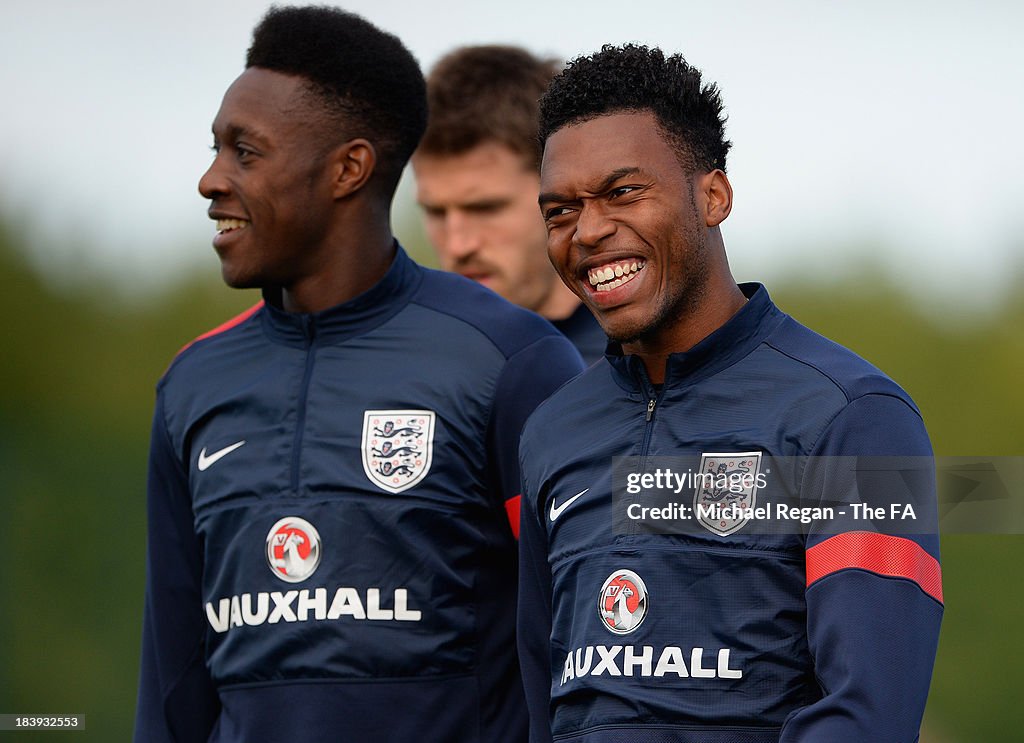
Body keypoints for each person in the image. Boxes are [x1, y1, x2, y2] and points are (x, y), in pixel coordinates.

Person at [134, 7, 583, 743]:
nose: (211, 179)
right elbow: (171, 685)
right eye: (216, 148)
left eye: (245, 152)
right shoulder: (192, 382)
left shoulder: (513, 361)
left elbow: (583, 646)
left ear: (349, 168)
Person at [517, 44, 943, 742]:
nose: (587, 231)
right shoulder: (550, 429)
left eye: (623, 191)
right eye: (560, 210)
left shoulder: (851, 415)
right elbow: (543, 703)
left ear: (713, 195)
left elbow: (868, 713)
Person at [412, 46, 607, 364]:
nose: (459, 244)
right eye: (436, 212)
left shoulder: (647, 368)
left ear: (561, 195)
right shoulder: (408, 366)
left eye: (485, 209)